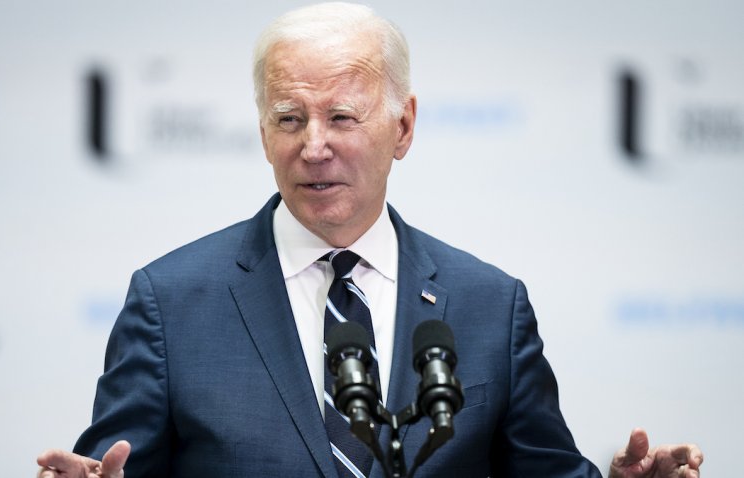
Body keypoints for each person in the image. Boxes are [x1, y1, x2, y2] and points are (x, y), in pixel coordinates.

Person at [37, 3, 703, 477]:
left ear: (403, 127)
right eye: (289, 118)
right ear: (263, 132)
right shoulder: (171, 303)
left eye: (342, 117)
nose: (313, 146)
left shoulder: (488, 308)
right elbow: (107, 469)